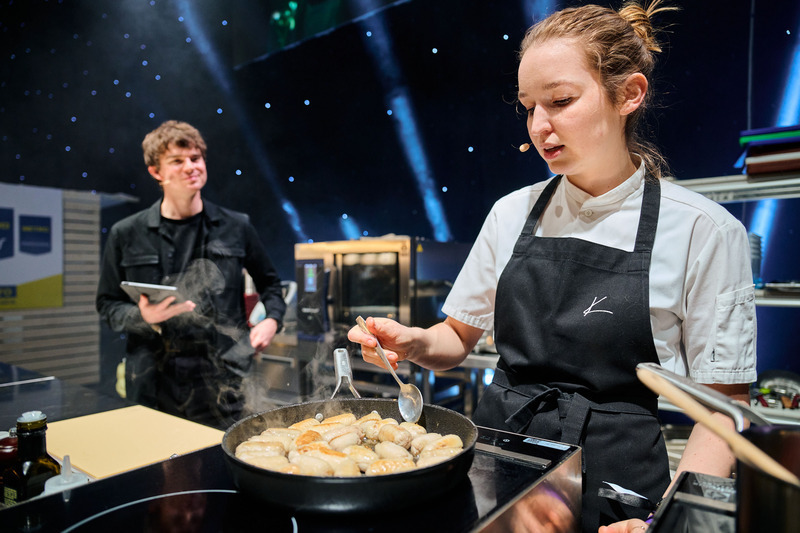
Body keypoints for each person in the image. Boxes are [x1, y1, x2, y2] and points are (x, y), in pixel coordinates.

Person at [348, 2, 757, 532]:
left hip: (616, 490)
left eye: (561, 101)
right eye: (529, 107)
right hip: (500, 463)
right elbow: (457, 338)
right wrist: (414, 343)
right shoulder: (511, 213)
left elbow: (722, 405)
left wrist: (666, 520)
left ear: (629, 94)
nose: (540, 126)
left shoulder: (704, 230)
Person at [96, 120, 286, 431]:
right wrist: (143, 316)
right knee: (157, 459)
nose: (190, 167)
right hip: (153, 380)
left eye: (195, 158)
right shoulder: (126, 233)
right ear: (156, 172)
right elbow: (107, 304)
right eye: (177, 161)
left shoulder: (236, 226)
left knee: (224, 457)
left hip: (225, 378)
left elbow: (271, 285)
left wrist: (271, 320)